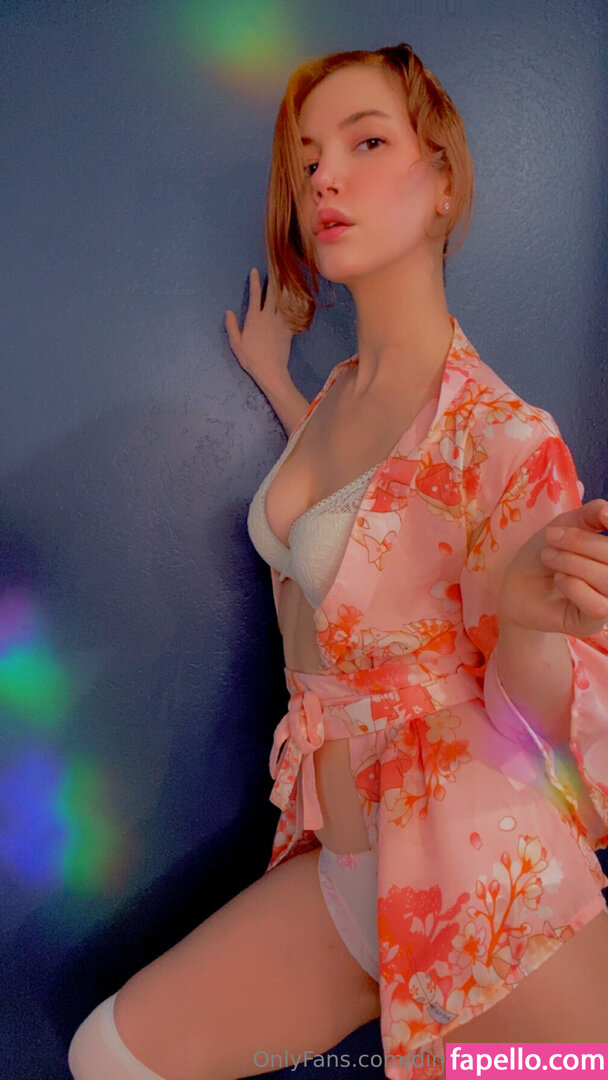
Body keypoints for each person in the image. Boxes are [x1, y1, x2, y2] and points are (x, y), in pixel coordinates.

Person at [68, 42, 608, 1080]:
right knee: (108, 1058)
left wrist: (533, 625)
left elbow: (542, 724)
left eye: (366, 143)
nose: (323, 178)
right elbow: (352, 527)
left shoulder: (504, 434)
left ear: (442, 182)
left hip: (474, 878)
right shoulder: (336, 399)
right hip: (343, 870)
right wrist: (278, 380)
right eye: (309, 157)